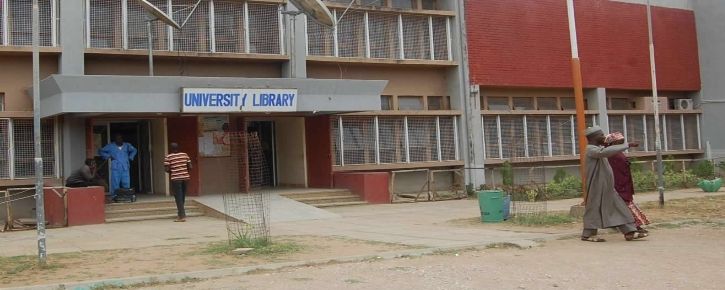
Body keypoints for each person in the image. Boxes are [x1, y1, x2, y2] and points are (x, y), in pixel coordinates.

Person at [581, 126, 648, 242]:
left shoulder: (599, 148)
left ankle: (629, 232)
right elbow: (605, 152)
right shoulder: (591, 149)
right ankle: (588, 234)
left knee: (620, 208)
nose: (604, 137)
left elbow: (605, 151)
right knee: (593, 209)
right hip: (596, 187)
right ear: (594, 137)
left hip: (607, 187)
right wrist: (627, 145)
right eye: (601, 135)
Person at [605, 132, 650, 233]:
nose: (621, 144)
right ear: (613, 143)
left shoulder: (617, 153)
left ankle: (633, 226)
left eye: (622, 142)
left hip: (624, 183)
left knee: (625, 206)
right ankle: (635, 227)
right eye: (619, 142)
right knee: (626, 207)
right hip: (618, 184)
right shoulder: (611, 153)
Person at [99, 134, 137, 199]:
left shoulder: (127, 145)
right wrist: (108, 156)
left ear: (122, 139)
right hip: (115, 168)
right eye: (117, 139)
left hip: (125, 167)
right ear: (115, 140)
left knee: (126, 182)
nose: (119, 140)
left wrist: (131, 157)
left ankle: (126, 195)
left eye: (120, 138)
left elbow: (134, 150)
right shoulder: (110, 146)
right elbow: (101, 151)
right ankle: (114, 196)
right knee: (115, 183)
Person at [164, 142, 192, 222]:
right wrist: (183, 171)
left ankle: (182, 216)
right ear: (178, 148)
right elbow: (190, 167)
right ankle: (181, 213)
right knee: (182, 196)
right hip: (186, 178)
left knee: (178, 197)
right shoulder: (185, 155)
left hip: (176, 179)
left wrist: (174, 171)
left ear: (171, 148)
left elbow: (166, 169)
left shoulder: (168, 157)